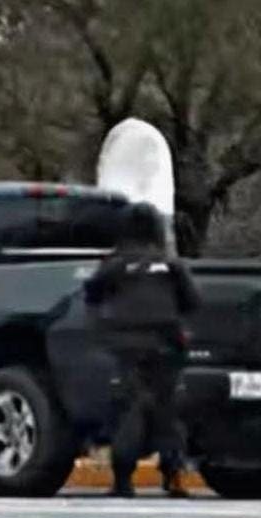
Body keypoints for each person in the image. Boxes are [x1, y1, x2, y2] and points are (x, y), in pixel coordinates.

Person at [84, 202, 200, 498]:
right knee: (167, 412)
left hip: (125, 348)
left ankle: (123, 480)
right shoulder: (170, 266)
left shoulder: (116, 264)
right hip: (165, 347)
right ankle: (173, 475)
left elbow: (92, 292)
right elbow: (193, 301)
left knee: (129, 411)